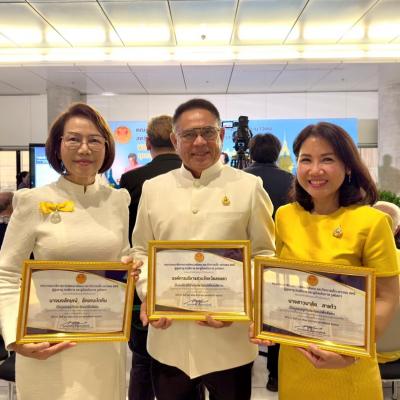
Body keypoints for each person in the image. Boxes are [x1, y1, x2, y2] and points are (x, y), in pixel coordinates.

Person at [132, 98, 275, 400]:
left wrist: (240, 302)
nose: (199, 142)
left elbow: (263, 255)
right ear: (175, 141)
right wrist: (150, 294)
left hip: (229, 341)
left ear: (221, 135)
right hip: (169, 341)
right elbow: (140, 251)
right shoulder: (154, 189)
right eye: (188, 135)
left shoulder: (249, 187)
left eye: (208, 132)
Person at [253, 122, 399, 400]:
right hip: (295, 362)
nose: (315, 170)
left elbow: (387, 298)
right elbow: (277, 281)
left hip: (349, 366)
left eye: (327, 160)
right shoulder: (285, 216)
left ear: (348, 167)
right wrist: (263, 319)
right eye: (306, 159)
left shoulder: (372, 222)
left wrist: (350, 354)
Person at [0, 103, 132, 400]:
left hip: (103, 343)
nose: (84, 149)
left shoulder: (118, 201)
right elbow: (6, 274)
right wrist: (15, 336)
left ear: (106, 148)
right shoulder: (33, 200)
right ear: (58, 147)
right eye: (73, 139)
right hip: (46, 343)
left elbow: (122, 255)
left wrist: (131, 267)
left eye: (94, 140)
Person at [120, 115, 181, 400]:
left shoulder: (131, 179)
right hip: (190, 281)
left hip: (143, 277)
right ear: (177, 140)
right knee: (185, 365)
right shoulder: (192, 177)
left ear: (147, 143)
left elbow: (129, 235)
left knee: (142, 361)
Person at [245, 133, 293, 392]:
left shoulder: (242, 180)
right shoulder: (292, 181)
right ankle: (274, 376)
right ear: (277, 153)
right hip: (282, 258)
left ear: (251, 152)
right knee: (278, 317)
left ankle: (245, 365)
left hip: (245, 261)